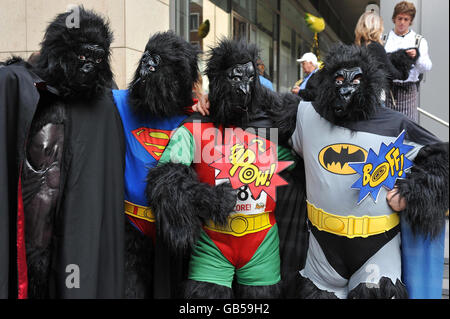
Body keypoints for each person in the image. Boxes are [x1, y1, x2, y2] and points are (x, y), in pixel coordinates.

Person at [0, 7, 125, 298]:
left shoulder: (102, 110)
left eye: (96, 58)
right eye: (82, 56)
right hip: (25, 239)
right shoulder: (19, 88)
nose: (88, 66)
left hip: (68, 245)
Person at [384, 1, 432, 122]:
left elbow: (427, 67)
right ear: (394, 18)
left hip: (409, 91)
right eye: (400, 18)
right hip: (387, 89)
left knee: (408, 130)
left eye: (406, 19)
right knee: (387, 130)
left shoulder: (419, 41)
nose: (402, 23)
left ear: (410, 21)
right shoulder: (383, 39)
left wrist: (417, 57)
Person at [354, 10, 416, 104]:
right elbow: (391, 73)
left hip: (360, 96)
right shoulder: (375, 47)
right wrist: (405, 67)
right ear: (377, 27)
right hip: (374, 97)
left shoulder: (359, 47)